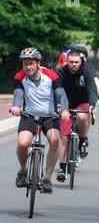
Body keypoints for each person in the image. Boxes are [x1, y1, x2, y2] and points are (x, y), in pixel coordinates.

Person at [11, 48, 70, 193]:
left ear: (38, 63)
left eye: (31, 63)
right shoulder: (20, 77)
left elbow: (61, 95)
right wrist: (16, 107)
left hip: (50, 117)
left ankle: (47, 179)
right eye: (25, 64)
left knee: (55, 140)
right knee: (23, 143)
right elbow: (18, 95)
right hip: (29, 116)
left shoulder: (50, 76)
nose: (28, 67)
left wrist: (64, 110)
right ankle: (23, 171)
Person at [56, 50, 98, 182]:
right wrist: (60, 107)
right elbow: (56, 90)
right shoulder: (62, 73)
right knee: (64, 138)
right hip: (66, 105)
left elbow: (92, 89)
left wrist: (91, 104)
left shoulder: (86, 72)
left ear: (81, 62)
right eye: (71, 62)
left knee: (82, 117)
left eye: (76, 62)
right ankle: (62, 168)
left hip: (82, 102)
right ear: (67, 62)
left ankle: (82, 138)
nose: (74, 65)